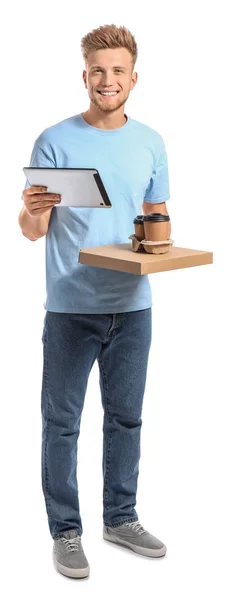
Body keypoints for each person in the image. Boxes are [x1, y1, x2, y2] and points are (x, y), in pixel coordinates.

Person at [18, 24, 171, 579]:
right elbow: (32, 230)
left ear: (134, 77)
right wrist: (33, 207)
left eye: (118, 71)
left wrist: (159, 251)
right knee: (61, 423)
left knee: (126, 419)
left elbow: (154, 223)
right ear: (85, 75)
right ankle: (65, 531)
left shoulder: (151, 141)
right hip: (70, 305)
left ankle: (120, 518)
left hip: (133, 306)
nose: (109, 81)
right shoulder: (53, 139)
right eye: (98, 71)